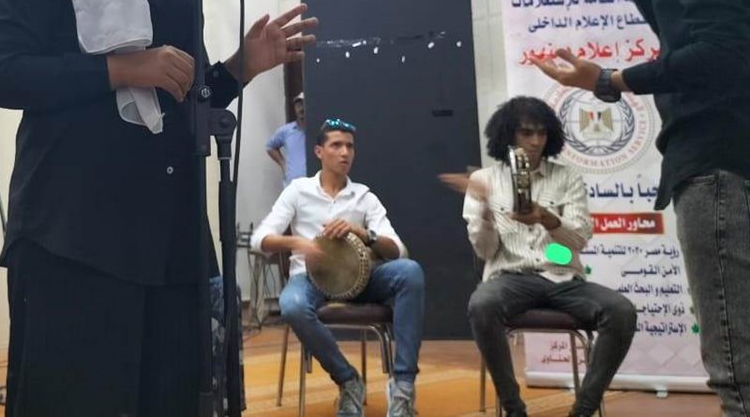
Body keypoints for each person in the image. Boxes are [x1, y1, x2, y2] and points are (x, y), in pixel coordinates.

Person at [0, 0, 316, 416]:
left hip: (170, 233)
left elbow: (187, 96)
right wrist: (118, 68)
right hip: (75, 231)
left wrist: (242, 66)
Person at [533, 0, 749, 415]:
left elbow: (721, 55)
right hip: (727, 157)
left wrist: (608, 80)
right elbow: (705, 45)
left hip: (716, 164)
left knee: (736, 371)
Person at [441, 97, 636, 417]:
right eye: (526, 133)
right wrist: (486, 211)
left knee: (621, 311)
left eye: (542, 133)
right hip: (510, 275)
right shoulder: (484, 181)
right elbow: (486, 251)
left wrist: (547, 219)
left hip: (562, 274)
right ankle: (514, 409)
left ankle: (584, 409)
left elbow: (579, 241)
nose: (535, 142)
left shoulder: (567, 177)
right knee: (481, 305)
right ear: (508, 135)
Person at [252, 118, 424, 417]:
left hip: (361, 279)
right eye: (336, 145)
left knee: (410, 272)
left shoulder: (364, 196)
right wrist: (298, 243)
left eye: (350, 146)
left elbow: (399, 250)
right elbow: (259, 239)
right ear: (319, 151)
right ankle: (348, 380)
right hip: (310, 278)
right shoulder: (298, 190)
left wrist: (364, 233)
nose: (345, 152)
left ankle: (403, 387)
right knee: (292, 305)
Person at [266, 93, 307, 185]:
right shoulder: (286, 131)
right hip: (292, 183)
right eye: (298, 105)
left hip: (314, 184)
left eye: (304, 104)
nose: (301, 108)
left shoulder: (317, 130)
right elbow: (270, 147)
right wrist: (282, 164)